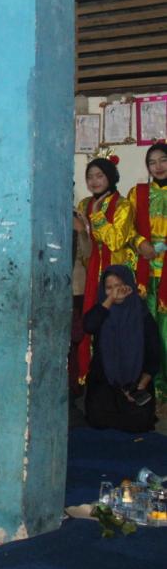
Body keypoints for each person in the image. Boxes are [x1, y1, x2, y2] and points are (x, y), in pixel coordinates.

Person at [77, 157, 135, 389]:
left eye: (99, 176)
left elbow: (115, 241)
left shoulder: (123, 205)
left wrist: (98, 216)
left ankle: (120, 378)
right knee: (93, 321)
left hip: (115, 272)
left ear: (110, 177)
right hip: (91, 272)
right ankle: (93, 376)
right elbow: (84, 244)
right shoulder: (83, 204)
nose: (94, 181)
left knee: (115, 324)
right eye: (90, 177)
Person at [82, 265, 159, 432]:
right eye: (109, 288)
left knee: (139, 423)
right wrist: (109, 300)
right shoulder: (102, 311)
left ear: (129, 285)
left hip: (136, 382)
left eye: (118, 286)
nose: (115, 291)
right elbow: (88, 326)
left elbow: (154, 355)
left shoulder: (142, 314)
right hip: (107, 380)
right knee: (98, 419)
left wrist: (140, 386)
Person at [129, 143, 167, 400]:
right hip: (146, 275)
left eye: (163, 160)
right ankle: (152, 390)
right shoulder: (138, 193)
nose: (158, 166)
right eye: (152, 162)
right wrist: (140, 242)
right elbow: (127, 228)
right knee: (148, 335)